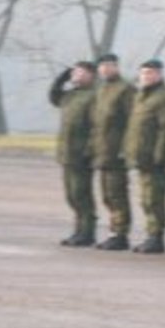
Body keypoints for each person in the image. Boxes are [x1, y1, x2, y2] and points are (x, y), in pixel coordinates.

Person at [123, 58, 165, 254]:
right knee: (146, 199)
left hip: (155, 161)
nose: (146, 76)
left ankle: (156, 237)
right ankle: (151, 234)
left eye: (151, 73)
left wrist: (159, 156)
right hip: (142, 158)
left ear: (160, 74)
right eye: (144, 73)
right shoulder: (141, 97)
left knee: (155, 199)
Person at [48, 60, 99, 246]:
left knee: (82, 194)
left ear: (90, 75)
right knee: (71, 195)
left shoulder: (93, 95)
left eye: (80, 72)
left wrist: (90, 150)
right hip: (67, 152)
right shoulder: (71, 95)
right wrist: (60, 79)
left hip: (82, 154)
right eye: (75, 72)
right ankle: (78, 230)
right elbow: (54, 98)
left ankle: (87, 232)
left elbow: (96, 127)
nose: (76, 75)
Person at [91, 53, 134, 250]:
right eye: (102, 66)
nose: (105, 69)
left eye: (109, 65)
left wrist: (126, 149)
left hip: (117, 152)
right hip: (103, 151)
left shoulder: (125, 89)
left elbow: (132, 122)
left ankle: (120, 232)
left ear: (116, 67)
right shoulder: (102, 89)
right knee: (107, 195)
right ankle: (113, 230)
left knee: (117, 194)